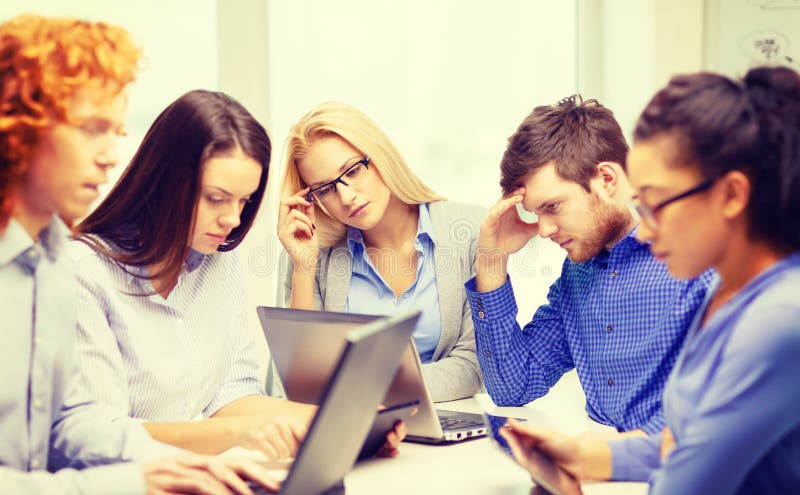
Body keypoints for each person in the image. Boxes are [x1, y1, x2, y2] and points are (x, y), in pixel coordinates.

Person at [0, 14, 276, 494]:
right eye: (92, 128)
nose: (110, 155)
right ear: (18, 125)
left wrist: (178, 466)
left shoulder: (47, 261)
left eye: (116, 131)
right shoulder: (75, 267)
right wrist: (134, 482)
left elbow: (72, 424)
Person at [501, 66, 800, 494]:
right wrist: (589, 456)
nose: (644, 228)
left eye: (657, 204)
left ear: (732, 195)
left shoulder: (777, 322)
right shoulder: (733, 294)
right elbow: (693, 446)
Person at [466, 95, 715, 434]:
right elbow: (513, 387)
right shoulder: (577, 272)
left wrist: (603, 457)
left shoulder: (703, 261)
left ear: (607, 180)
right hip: (606, 472)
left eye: (552, 206)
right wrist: (492, 264)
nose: (543, 230)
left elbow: (715, 414)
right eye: (535, 213)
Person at [278, 101, 483, 402]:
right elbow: (303, 380)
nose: (346, 196)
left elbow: (473, 364)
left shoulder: (468, 230)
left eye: (352, 170)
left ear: (380, 156)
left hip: (448, 423)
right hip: (355, 428)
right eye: (325, 189)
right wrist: (303, 269)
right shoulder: (311, 250)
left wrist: (376, 390)